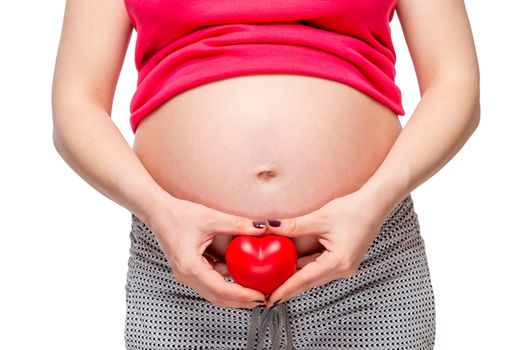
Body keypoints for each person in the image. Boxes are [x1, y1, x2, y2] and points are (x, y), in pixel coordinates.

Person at [51, 0, 480, 349]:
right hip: (182, 265)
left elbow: (455, 81)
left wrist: (374, 201)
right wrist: (158, 211)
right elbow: (76, 103)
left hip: (367, 265)